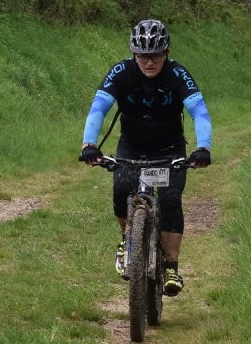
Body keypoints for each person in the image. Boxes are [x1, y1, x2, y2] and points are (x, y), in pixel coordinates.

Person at [78, 19, 212, 297]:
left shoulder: (177, 74)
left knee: (171, 199)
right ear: (134, 55)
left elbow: (199, 112)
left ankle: (171, 266)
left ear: (166, 53)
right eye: (142, 56)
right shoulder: (121, 72)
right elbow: (98, 108)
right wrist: (89, 144)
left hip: (169, 149)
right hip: (131, 145)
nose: (149, 62)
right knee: (121, 188)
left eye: (155, 56)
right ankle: (128, 239)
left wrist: (203, 148)